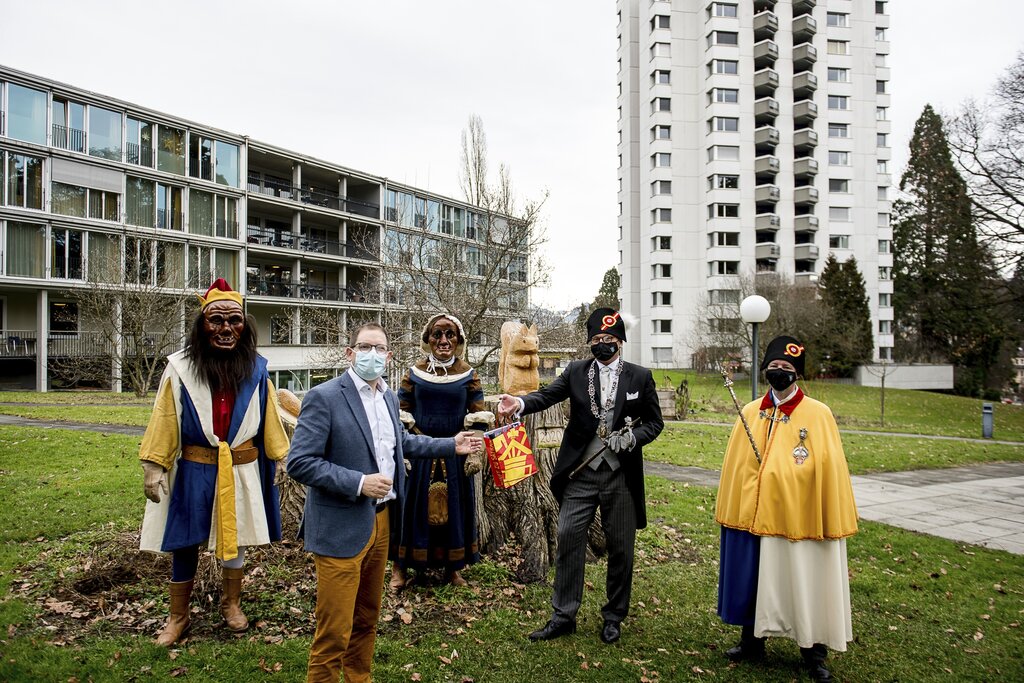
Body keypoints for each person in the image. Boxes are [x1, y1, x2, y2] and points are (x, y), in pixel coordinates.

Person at [286, 322, 481, 683]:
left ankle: (359, 677)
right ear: (350, 353)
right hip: (341, 526)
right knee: (334, 630)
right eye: (364, 347)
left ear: (389, 356)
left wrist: (451, 445)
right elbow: (299, 462)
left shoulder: (388, 397)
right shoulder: (325, 396)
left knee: (366, 618)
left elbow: (403, 444)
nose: (372, 355)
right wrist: (359, 483)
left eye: (379, 349)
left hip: (382, 523)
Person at [497, 308, 664, 645]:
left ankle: (613, 616)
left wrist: (633, 437)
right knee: (568, 536)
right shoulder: (575, 371)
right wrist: (518, 403)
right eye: (598, 340)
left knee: (621, 548)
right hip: (580, 473)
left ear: (620, 341)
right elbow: (546, 396)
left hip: (620, 476)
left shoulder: (639, 377)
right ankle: (563, 615)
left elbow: (654, 422)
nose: (604, 345)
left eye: (610, 339)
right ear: (590, 343)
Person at [138, 278, 290, 647]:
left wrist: (282, 457)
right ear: (201, 325)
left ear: (245, 325)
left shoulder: (257, 370)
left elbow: (270, 416)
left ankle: (231, 604)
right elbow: (165, 416)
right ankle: (178, 616)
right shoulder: (180, 369)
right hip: (196, 465)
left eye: (234, 320)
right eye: (216, 320)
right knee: (186, 539)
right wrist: (155, 464)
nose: (226, 329)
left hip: (239, 467)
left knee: (234, 536)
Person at [715, 336, 859, 683]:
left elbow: (827, 468)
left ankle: (814, 654)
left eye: (788, 369)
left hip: (799, 518)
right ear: (765, 369)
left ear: (799, 375)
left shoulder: (818, 415)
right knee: (755, 579)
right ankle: (752, 642)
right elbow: (737, 466)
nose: (780, 373)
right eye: (775, 367)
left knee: (804, 580)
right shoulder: (750, 411)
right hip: (755, 515)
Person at [391, 313, 490, 589]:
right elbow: (401, 413)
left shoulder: (469, 375)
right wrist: (407, 452)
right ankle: (400, 568)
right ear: (428, 339)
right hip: (420, 452)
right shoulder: (413, 373)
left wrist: (473, 452)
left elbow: (479, 415)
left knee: (456, 510)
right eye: (437, 334)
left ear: (459, 340)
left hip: (456, 454)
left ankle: (452, 569)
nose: (443, 340)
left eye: (450, 335)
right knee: (412, 509)